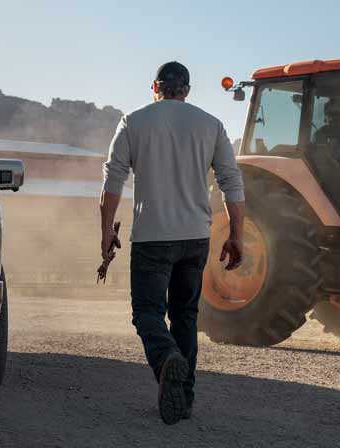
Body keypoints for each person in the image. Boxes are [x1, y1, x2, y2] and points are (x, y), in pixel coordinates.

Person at [99, 61, 246, 425]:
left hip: (152, 237)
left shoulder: (133, 121)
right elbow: (231, 181)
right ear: (187, 90)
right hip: (195, 237)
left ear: (155, 87)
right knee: (185, 315)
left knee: (148, 312)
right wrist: (237, 234)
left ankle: (167, 359)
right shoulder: (211, 124)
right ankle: (186, 397)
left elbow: (113, 180)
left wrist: (106, 230)